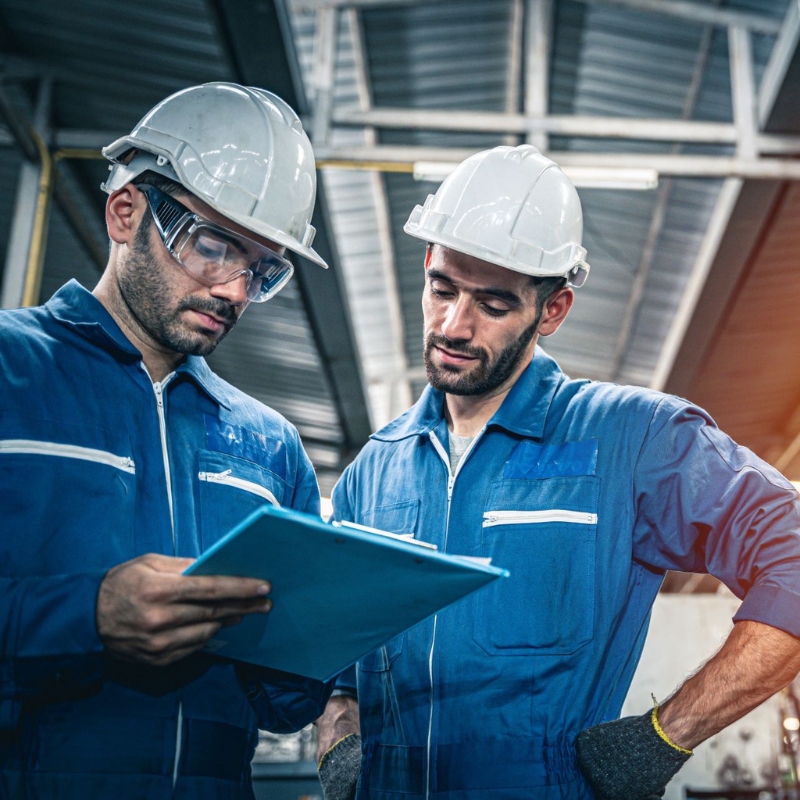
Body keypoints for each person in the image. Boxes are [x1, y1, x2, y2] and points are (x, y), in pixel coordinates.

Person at [314, 144, 800, 800]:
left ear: (553, 309)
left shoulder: (632, 440)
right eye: (443, 288)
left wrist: (666, 734)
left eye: (492, 304)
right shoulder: (374, 471)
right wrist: (339, 733)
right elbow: (337, 646)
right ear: (426, 266)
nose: (454, 324)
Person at [0, 82, 336, 799]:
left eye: (262, 269)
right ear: (126, 212)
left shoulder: (270, 447)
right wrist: (83, 618)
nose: (236, 291)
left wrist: (330, 631)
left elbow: (287, 704)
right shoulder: (10, 372)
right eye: (213, 245)